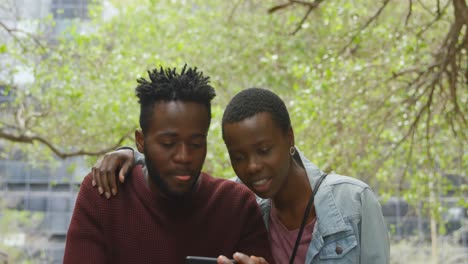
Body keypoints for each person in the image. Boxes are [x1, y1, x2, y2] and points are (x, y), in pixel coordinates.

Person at [93, 88, 390, 264]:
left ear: (289, 137)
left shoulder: (353, 202)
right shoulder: (243, 206)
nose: (252, 166)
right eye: (239, 157)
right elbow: (183, 174)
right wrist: (132, 154)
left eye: (263, 150)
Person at [63, 66, 273, 264]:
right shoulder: (105, 194)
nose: (184, 156)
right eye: (168, 144)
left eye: (196, 144)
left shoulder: (236, 205)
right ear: (141, 141)